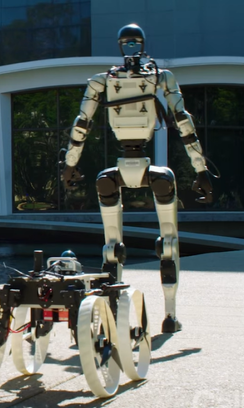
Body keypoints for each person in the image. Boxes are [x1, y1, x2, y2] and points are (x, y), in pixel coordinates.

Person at [62, 24, 213, 333]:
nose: (130, 48)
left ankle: (157, 313)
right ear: (122, 46)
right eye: (126, 43)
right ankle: (164, 316)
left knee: (128, 244)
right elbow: (183, 122)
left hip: (118, 171)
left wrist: (69, 165)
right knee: (156, 243)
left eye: (134, 43)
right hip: (146, 169)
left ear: (141, 45)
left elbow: (82, 125)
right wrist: (199, 168)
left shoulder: (107, 80)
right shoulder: (156, 77)